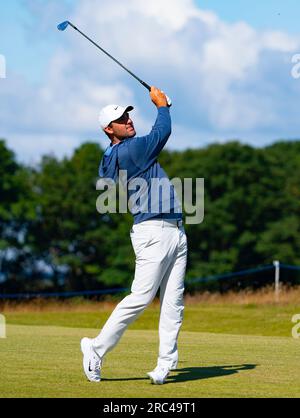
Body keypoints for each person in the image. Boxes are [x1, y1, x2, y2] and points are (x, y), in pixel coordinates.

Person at [81, 87, 188, 385]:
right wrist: (162, 105)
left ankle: (165, 364)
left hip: (175, 229)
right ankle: (96, 349)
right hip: (154, 231)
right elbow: (162, 131)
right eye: (120, 119)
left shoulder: (115, 152)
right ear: (108, 129)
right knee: (140, 298)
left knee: (173, 302)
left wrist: (163, 105)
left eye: (128, 114)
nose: (128, 120)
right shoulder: (131, 150)